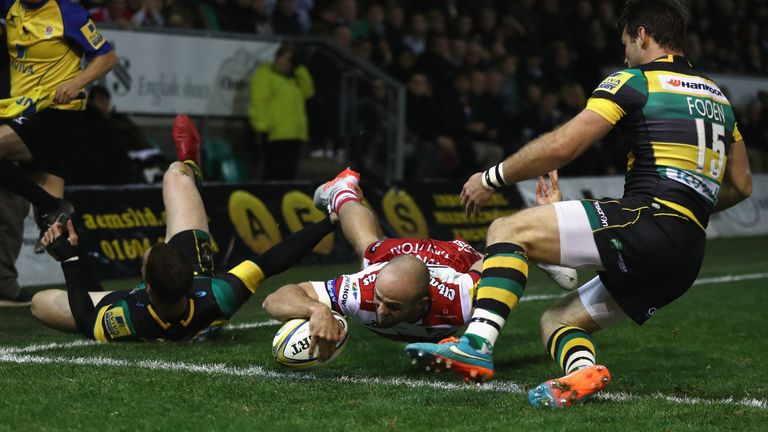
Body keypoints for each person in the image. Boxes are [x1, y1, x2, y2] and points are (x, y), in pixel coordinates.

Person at [405, 0, 752, 409]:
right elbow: (742, 185)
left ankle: (475, 343)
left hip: (647, 221)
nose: (624, 53)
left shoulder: (633, 82)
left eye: (625, 42)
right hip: (687, 252)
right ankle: (580, 373)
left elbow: (564, 145)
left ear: (642, 34)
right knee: (557, 321)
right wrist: (687, 205)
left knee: (507, 230)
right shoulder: (719, 99)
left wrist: (491, 177)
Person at [30, 115, 336, 342]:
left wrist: (70, 259)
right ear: (190, 276)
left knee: (40, 303)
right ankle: (192, 165)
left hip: (149, 307)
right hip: (188, 303)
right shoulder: (219, 293)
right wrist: (329, 222)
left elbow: (86, 319)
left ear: (145, 286)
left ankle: (185, 168)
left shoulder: (130, 316)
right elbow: (274, 259)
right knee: (177, 174)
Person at [262, 168, 579, 362]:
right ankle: (342, 190)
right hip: (393, 255)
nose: (381, 311)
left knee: (525, 263)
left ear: (423, 303)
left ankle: (543, 238)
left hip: (453, 259)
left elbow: (501, 268)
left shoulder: (460, 299)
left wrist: (547, 226)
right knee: (370, 248)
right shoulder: (362, 291)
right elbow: (273, 300)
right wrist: (317, 310)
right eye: (381, 302)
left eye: (393, 307)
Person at [0, 0, 117, 249]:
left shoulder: (68, 13)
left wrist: (77, 83)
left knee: (50, 212)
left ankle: (48, 203)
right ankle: (86, 286)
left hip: (58, 116)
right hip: (25, 112)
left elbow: (107, 56)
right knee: (54, 231)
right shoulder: (9, 6)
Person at [249, 44, 314, 181]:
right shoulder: (265, 74)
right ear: (277, 57)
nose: (287, 62)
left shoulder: (295, 78)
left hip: (295, 134)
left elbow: (309, 91)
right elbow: (259, 101)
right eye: (285, 58)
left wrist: (300, 67)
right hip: (275, 134)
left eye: (291, 59)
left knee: (290, 175)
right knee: (273, 173)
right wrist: (262, 127)